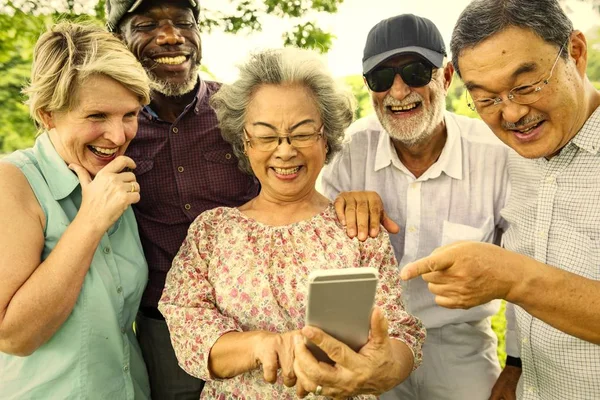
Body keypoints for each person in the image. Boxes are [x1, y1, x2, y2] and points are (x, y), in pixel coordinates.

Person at [105, 1, 397, 397]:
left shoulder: (238, 103)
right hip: (163, 321)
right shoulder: (114, 125)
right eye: (147, 24)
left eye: (182, 22)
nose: (283, 149)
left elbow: (397, 332)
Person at [157, 47, 425, 399]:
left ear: (325, 137)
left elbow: (400, 331)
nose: (285, 151)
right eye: (267, 136)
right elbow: (186, 325)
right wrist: (260, 346)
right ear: (244, 141)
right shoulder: (212, 231)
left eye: (301, 133)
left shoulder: (356, 227)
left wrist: (382, 367)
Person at [401, 0, 600, 399]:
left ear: (576, 53)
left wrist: (512, 277)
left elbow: (522, 279)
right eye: (487, 98)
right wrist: (516, 367)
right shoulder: (513, 156)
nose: (510, 114)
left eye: (525, 86)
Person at [321, 14, 512, 400]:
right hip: (369, 337)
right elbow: (310, 244)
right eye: (380, 78)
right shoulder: (348, 150)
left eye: (414, 71)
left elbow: (527, 268)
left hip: (460, 343)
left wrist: (517, 365)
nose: (398, 90)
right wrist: (334, 209)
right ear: (368, 88)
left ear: (445, 77)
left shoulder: (497, 155)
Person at [0, 22, 151, 399]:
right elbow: (13, 336)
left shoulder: (113, 177)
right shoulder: (13, 182)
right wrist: (91, 220)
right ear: (49, 113)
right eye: (96, 116)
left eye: (130, 114)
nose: (118, 137)